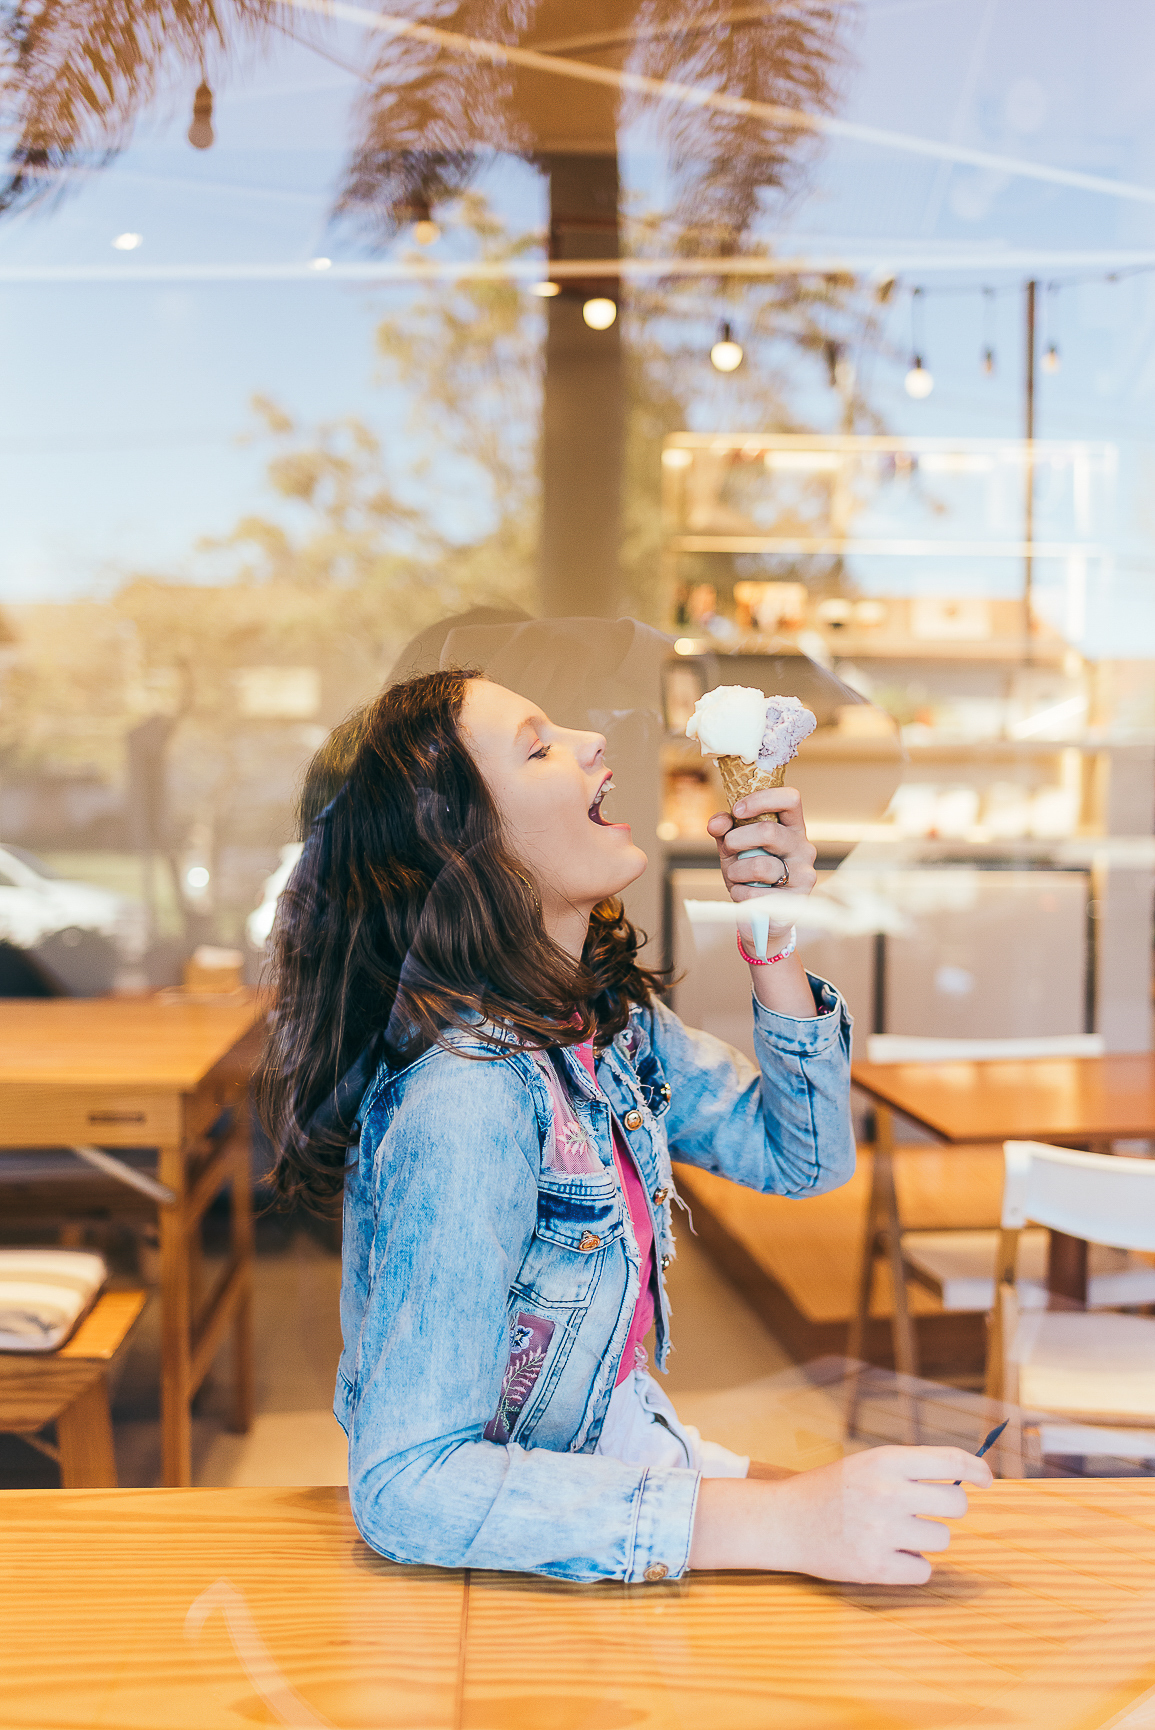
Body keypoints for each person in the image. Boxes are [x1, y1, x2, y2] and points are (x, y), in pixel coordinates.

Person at [257, 667, 990, 1586]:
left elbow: (801, 1159)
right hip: (519, 1540)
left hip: (618, 1451)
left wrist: (771, 931)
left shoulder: (604, 1023)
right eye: (538, 747)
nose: (590, 740)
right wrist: (786, 1521)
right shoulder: (467, 1097)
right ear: (467, 850)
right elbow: (410, 1487)